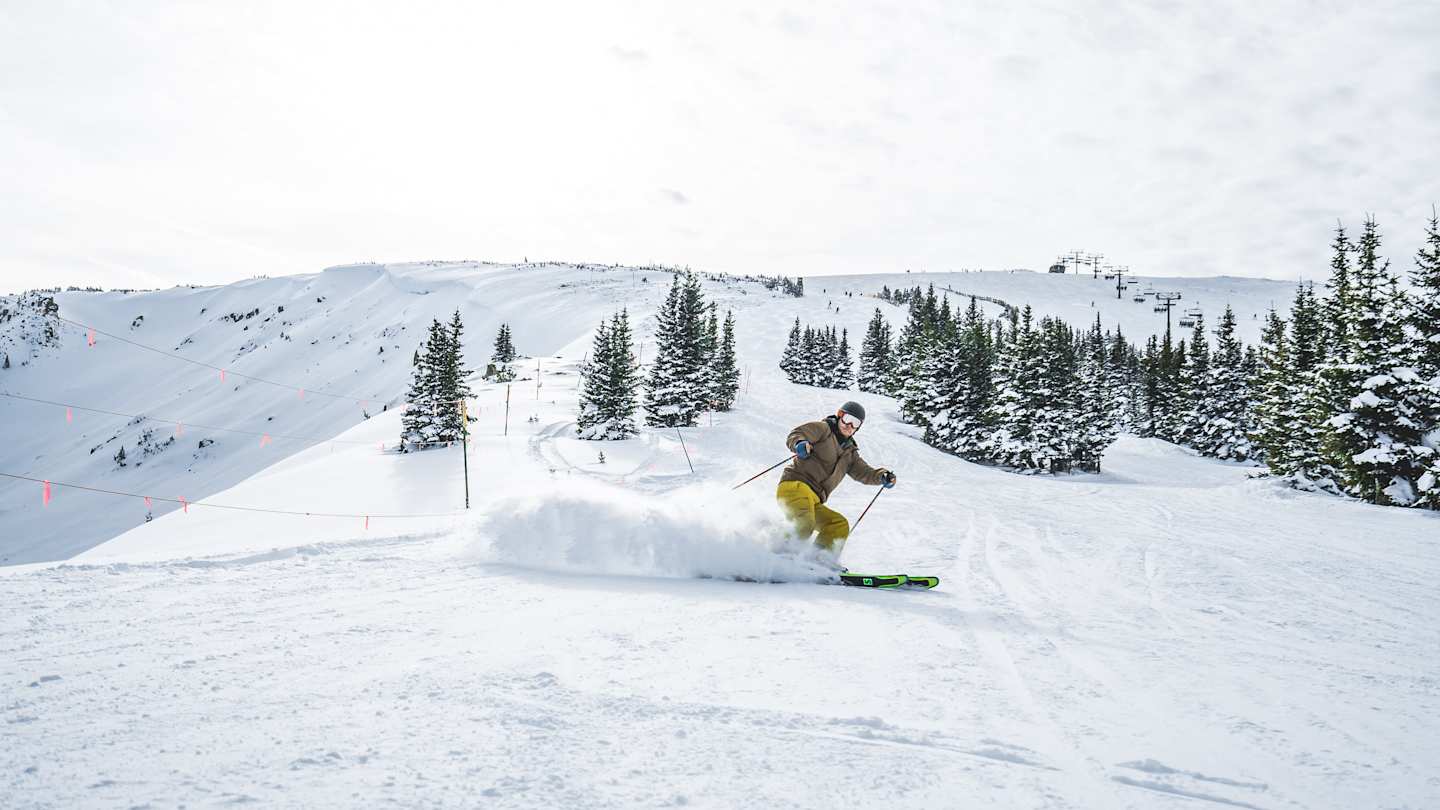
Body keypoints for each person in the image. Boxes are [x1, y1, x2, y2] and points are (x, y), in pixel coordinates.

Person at [777, 401, 896, 558]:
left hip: (814, 499)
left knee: (837, 525)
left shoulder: (849, 453)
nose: (849, 426)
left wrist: (882, 476)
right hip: (795, 486)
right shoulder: (824, 429)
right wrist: (800, 443)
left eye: (855, 423)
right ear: (840, 415)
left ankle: (818, 562)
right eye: (847, 419)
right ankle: (777, 557)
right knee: (804, 523)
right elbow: (798, 433)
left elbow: (864, 472)